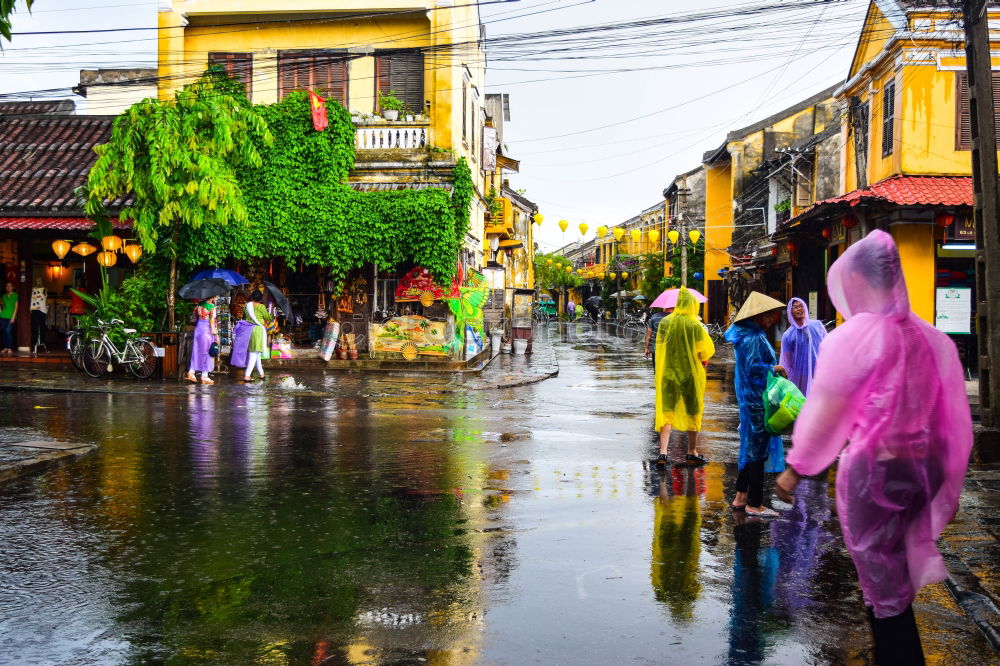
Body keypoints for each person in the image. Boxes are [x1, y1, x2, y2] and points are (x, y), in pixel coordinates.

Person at [775, 230, 972, 664]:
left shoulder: (854, 336)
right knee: (893, 576)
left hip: (876, 475)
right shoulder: (931, 338)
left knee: (881, 583)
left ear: (857, 282)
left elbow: (829, 411)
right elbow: (952, 414)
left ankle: (897, 656)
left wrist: (798, 466)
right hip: (924, 471)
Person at [724, 291, 786, 517]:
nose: (773, 320)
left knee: (750, 448)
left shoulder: (750, 334)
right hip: (755, 400)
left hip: (751, 398)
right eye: (769, 315)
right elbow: (753, 369)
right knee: (757, 450)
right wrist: (774, 368)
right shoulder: (751, 338)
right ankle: (754, 502)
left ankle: (741, 497)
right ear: (758, 315)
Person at [654, 288, 715, 466]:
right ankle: (691, 451)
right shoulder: (694, 324)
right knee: (693, 410)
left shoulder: (665, 323)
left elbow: (660, 347)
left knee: (666, 411)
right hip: (690, 375)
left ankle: (663, 453)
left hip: (668, 373)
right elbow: (705, 351)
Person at [779, 297, 827, 396]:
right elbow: (787, 361)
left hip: (819, 372)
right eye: (795, 307)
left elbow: (828, 344)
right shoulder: (788, 335)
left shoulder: (817, 325)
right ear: (790, 312)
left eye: (801, 306)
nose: (799, 309)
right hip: (800, 376)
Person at [186, 296, 219, 385]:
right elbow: (212, 322)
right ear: (212, 297)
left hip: (198, 329)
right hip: (206, 330)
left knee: (196, 351)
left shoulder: (199, 305)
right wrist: (216, 335)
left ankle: (191, 372)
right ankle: (205, 376)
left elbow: (194, 315)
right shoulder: (211, 306)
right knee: (207, 352)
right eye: (215, 296)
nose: (215, 297)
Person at [242, 290, 272, 382]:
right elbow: (268, 317)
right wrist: (271, 314)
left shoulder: (247, 306)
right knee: (254, 353)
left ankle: (261, 373)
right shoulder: (261, 306)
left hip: (248, 329)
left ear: (252, 297)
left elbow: (243, 317)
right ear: (260, 298)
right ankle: (247, 375)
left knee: (256, 352)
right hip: (258, 331)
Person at [30, 278, 48, 354]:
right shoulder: (32, 289)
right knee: (34, 327)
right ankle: (34, 343)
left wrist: (46, 308)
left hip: (43, 310)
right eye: (37, 280)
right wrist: (30, 308)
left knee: (42, 327)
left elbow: (46, 299)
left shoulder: (45, 289)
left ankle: (42, 341)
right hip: (34, 309)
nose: (38, 281)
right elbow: (31, 299)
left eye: (40, 280)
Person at [0, 281, 18, 355]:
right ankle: (5, 347)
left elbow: (16, 306)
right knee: (4, 332)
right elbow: (2, 306)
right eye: (7, 286)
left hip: (11, 316)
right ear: (5, 288)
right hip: (3, 316)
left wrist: (13, 317)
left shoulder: (15, 295)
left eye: (10, 286)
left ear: (13, 287)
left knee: (8, 331)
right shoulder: (3, 296)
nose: (8, 287)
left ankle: (10, 348)